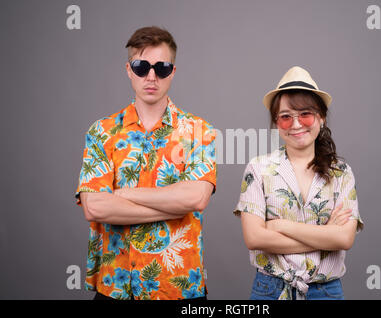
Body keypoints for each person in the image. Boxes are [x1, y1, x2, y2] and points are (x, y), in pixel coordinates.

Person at [74, 26, 216, 300]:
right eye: (142, 67)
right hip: (115, 288)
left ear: (172, 71)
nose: (151, 76)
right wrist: (175, 208)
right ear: (129, 69)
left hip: (178, 288)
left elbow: (196, 198)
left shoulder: (199, 131)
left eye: (161, 68)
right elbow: (95, 206)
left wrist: (125, 195)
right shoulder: (101, 131)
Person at [234, 66, 364, 300]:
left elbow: (344, 238)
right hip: (270, 291)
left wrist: (280, 226)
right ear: (276, 123)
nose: (296, 124)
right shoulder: (258, 168)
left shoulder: (341, 173)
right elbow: (254, 238)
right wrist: (325, 235)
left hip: (326, 292)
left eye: (305, 114)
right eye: (286, 117)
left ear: (321, 117)